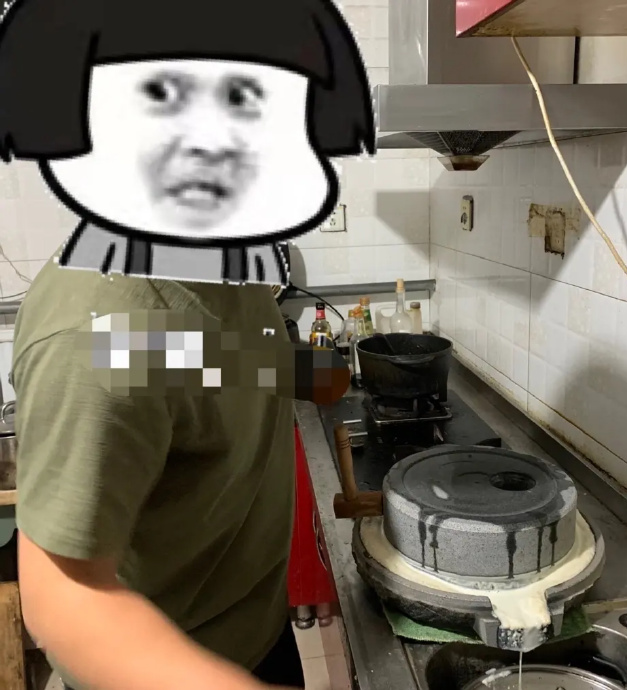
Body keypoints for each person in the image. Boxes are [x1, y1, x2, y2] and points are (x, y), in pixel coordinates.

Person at [0, 0, 375, 688]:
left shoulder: (217, 258)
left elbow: (210, 362)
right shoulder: (100, 330)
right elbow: (63, 600)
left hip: (252, 632)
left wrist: (320, 373)